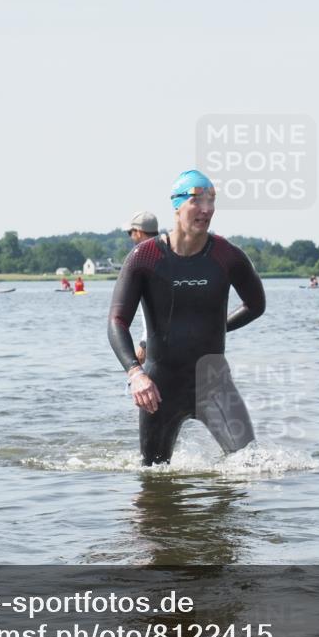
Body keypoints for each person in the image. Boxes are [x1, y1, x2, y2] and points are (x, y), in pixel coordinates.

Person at [108, 169, 266, 466]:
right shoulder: (145, 257)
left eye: (212, 200)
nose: (206, 209)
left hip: (215, 385)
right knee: (153, 476)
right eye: (197, 200)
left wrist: (217, 328)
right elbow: (117, 322)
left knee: (252, 465)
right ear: (177, 204)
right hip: (159, 389)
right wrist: (136, 374)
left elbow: (256, 305)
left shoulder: (227, 256)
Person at [126, 211, 160, 364]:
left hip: (155, 344)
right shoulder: (171, 252)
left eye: (130, 233)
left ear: (138, 232)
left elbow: (155, 309)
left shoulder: (143, 260)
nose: (130, 237)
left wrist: (144, 343)